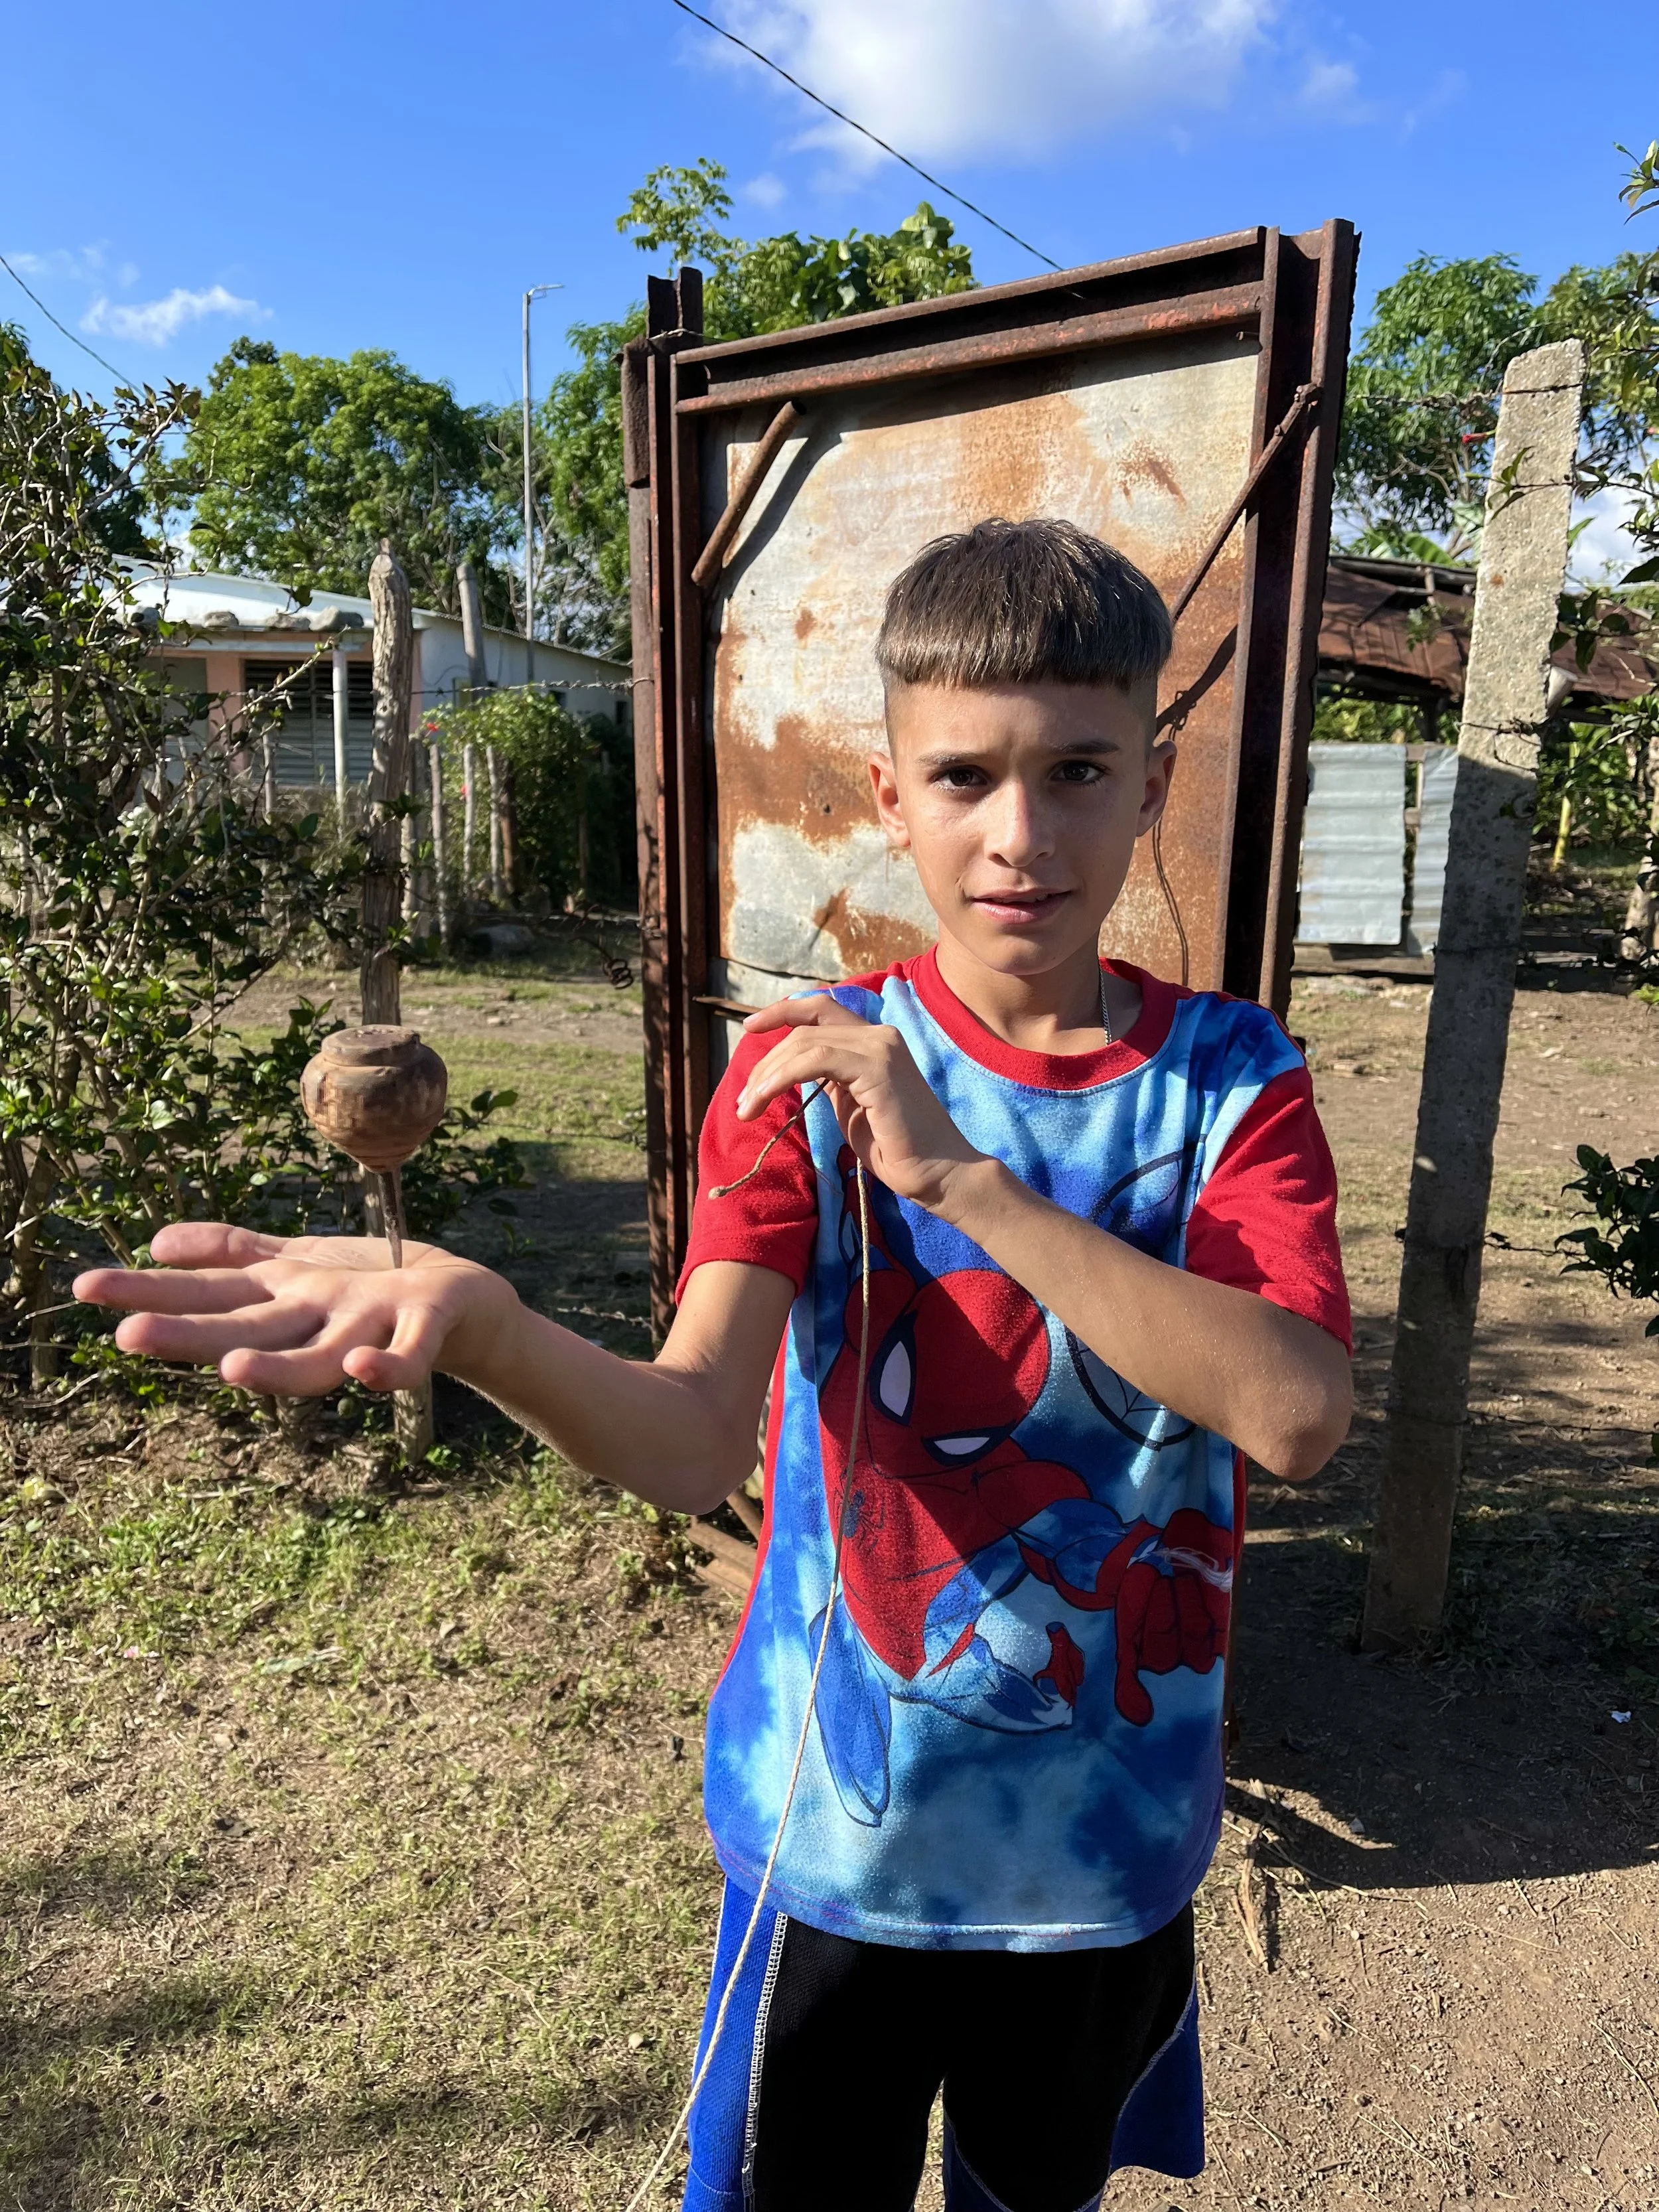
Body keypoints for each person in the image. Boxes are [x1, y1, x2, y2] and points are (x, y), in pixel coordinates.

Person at [78, 518, 1352, 2212]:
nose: (1021, 833)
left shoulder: (1225, 1081)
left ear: (1148, 778)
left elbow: (1294, 1412)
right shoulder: (800, 1075)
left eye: (1077, 769)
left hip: (1094, 1865)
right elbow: (691, 1441)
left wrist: (960, 1180)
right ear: (889, 793)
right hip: (831, 1846)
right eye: (963, 776)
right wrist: (495, 1331)